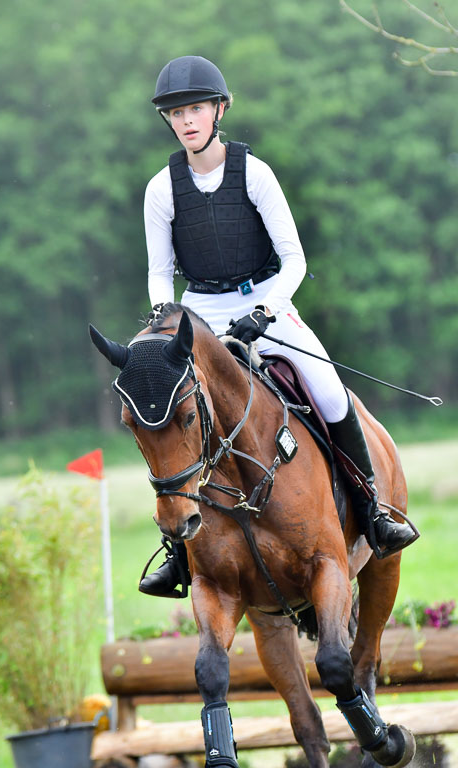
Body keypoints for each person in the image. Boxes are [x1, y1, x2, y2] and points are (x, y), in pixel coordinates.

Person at [140, 55, 416, 598]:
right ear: (169, 121)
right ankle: (178, 553)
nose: (187, 120)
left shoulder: (256, 172)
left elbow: (293, 258)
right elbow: (158, 273)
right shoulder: (160, 189)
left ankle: (372, 509)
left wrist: (267, 311)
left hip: (266, 300)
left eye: (196, 108)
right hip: (197, 313)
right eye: (176, 113)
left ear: (219, 110)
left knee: (331, 394)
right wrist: (165, 322)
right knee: (168, 412)